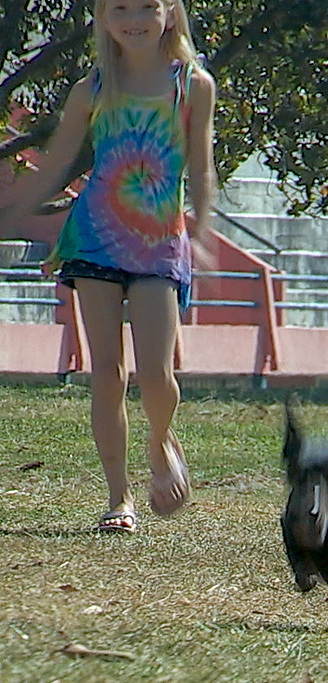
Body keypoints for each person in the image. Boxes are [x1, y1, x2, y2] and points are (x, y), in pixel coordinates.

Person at [0, 0, 216, 533]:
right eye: (120, 7)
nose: (134, 17)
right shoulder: (91, 88)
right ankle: (119, 498)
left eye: (147, 5)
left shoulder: (194, 85)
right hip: (94, 238)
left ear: (170, 12)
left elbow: (202, 162)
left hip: (159, 243)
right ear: (103, 17)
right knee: (106, 373)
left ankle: (161, 437)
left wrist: (205, 224)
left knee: (158, 376)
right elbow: (57, 161)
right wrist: (18, 208)